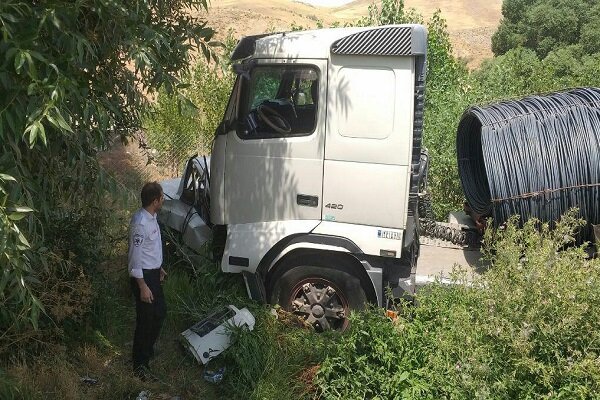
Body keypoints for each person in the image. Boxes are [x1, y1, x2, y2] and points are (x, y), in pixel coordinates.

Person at [129, 181, 167, 379]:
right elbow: (135, 256)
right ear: (155, 201)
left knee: (160, 313)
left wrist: (158, 266)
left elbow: (150, 249)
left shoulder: (152, 217)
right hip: (143, 278)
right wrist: (142, 285)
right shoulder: (140, 223)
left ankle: (147, 350)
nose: (164, 200)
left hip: (153, 273)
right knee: (146, 321)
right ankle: (139, 366)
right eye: (162, 197)